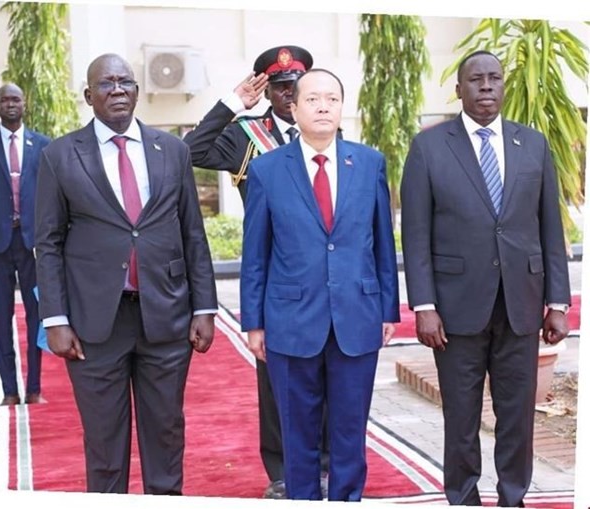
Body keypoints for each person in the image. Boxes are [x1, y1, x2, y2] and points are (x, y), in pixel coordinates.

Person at [34, 53, 218, 494]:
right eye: (106, 83)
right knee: (104, 443)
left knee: (166, 433)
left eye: (125, 82)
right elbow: (48, 243)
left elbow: (193, 231)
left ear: (136, 91)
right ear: (88, 95)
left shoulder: (172, 149)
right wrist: (55, 319)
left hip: (167, 316)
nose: (117, 90)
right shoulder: (60, 156)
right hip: (95, 324)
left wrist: (205, 306)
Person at [400, 50, 571, 507]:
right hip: (455, 312)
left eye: (494, 78)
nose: (486, 87)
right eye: (475, 80)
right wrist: (424, 306)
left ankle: (513, 497)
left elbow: (550, 227)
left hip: (520, 305)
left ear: (504, 85)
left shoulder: (531, 143)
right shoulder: (430, 147)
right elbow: (415, 234)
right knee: (461, 416)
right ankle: (463, 497)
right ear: (459, 89)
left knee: (517, 416)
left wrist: (558, 300)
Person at [240, 68, 400, 501]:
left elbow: (383, 243)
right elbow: (255, 254)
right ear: (293, 106)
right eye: (313, 99)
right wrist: (253, 322)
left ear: (342, 106)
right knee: (298, 435)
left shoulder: (368, 163)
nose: (323, 106)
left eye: (332, 98)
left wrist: (389, 309)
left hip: (357, 317)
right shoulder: (268, 170)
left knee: (350, 433)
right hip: (291, 322)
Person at [183, 45, 330, 499]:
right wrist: (232, 104)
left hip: (325, 272)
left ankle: (325, 466)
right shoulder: (248, 135)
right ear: (268, 90)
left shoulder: (325, 129)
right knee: (277, 379)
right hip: (275, 273)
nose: (289, 94)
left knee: (329, 372)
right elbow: (191, 151)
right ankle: (283, 473)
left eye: (295, 85)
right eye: (280, 86)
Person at [0, 83, 51, 406]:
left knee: (37, 317)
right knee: (0, 317)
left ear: (25, 103)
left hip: (32, 245)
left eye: (16, 99)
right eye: (5, 99)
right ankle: (10, 390)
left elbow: (52, 200)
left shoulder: (43, 146)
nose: (10, 104)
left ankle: (35, 388)